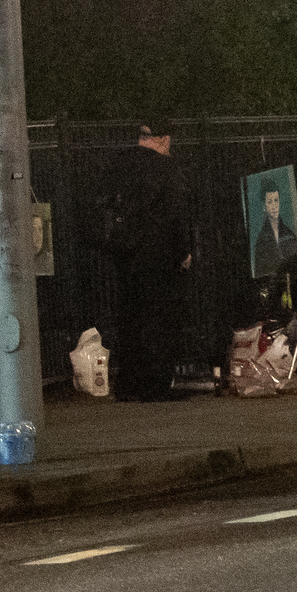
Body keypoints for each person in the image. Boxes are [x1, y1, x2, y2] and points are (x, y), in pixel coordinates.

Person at [104, 122, 195, 402]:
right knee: (159, 321)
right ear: (164, 139)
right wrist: (183, 251)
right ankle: (154, 385)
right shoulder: (167, 169)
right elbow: (176, 214)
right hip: (159, 257)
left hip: (125, 256)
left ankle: (128, 383)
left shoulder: (119, 166)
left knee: (130, 320)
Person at [249, 184, 297, 275]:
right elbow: (259, 273)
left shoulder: (289, 234)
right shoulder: (262, 239)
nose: (274, 206)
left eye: (276, 200)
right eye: (270, 202)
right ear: (264, 207)